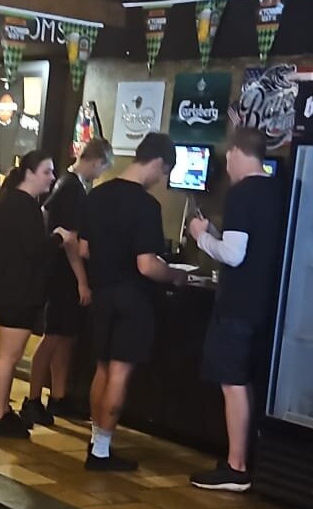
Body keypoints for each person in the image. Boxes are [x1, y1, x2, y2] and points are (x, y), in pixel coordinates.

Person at [188, 127, 284, 491]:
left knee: (232, 382)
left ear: (236, 153)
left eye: (228, 155)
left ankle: (236, 465)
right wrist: (215, 233)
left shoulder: (242, 193)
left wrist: (200, 236)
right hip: (266, 304)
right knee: (247, 380)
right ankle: (245, 458)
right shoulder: (278, 190)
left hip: (237, 304)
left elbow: (234, 254)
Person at [80, 132, 182, 471]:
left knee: (101, 369)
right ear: (159, 163)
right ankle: (102, 452)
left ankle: (96, 442)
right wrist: (175, 275)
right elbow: (147, 265)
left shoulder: (97, 195)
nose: (161, 180)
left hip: (101, 294)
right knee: (120, 373)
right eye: (164, 173)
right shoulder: (146, 206)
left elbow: (84, 249)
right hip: (132, 299)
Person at [22, 138, 114, 427]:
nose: (100, 174)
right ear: (97, 161)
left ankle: (58, 396)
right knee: (53, 337)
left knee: (66, 337)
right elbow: (71, 241)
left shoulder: (66, 184)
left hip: (59, 272)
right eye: (103, 168)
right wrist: (82, 281)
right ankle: (33, 399)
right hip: (63, 275)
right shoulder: (73, 188)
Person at [0, 150, 74, 439]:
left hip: (9, 288)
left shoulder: (12, 203)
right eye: (47, 171)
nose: (52, 177)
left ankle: (2, 411)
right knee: (8, 356)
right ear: (30, 173)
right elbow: (34, 249)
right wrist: (59, 237)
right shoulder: (23, 206)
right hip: (17, 290)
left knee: (8, 355)